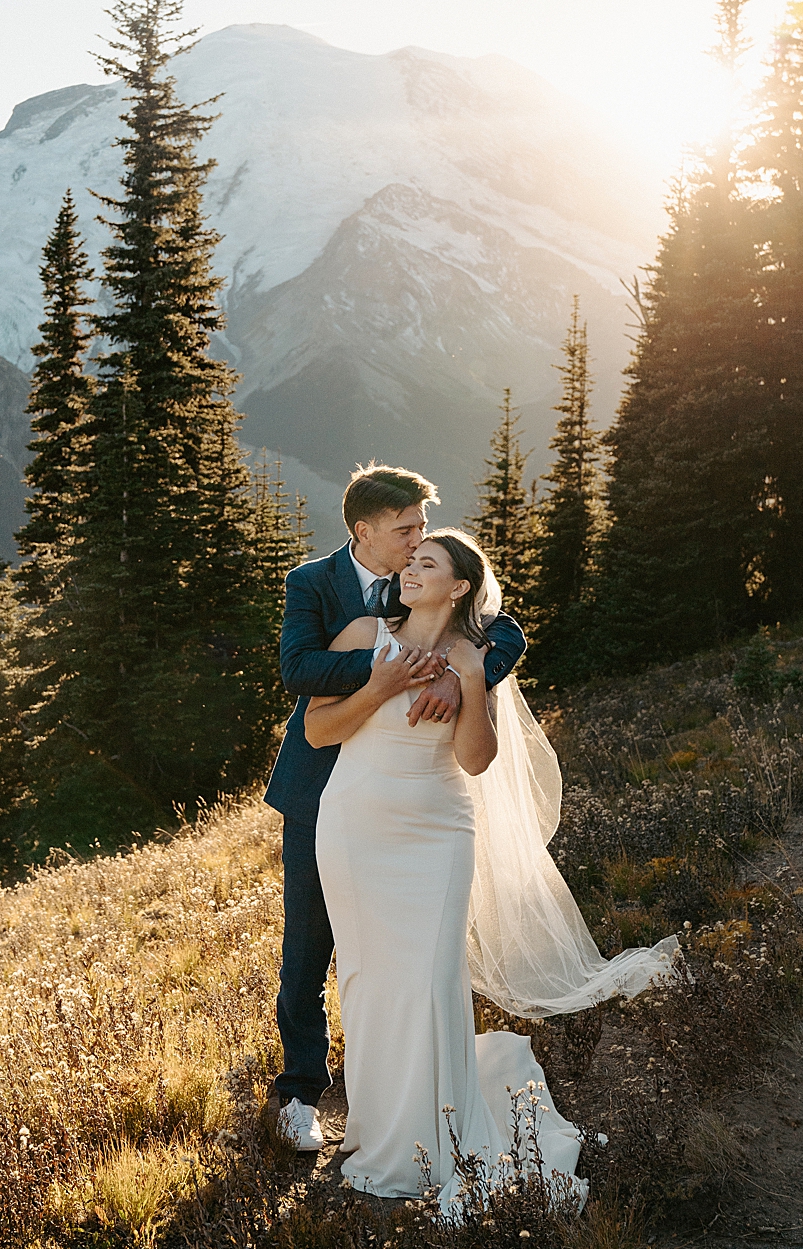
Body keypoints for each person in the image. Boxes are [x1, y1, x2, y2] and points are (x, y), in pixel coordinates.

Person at [305, 529, 677, 1208]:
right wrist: (379, 683)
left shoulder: (474, 656)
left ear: (459, 588)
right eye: (409, 560)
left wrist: (470, 679)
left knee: (431, 976)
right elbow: (317, 729)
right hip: (354, 826)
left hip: (438, 831)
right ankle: (381, 1125)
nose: (411, 569)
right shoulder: (364, 633)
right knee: (368, 978)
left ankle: (439, 1135)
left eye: (428, 564)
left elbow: (476, 759)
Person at [263, 465, 527, 1151]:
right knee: (310, 947)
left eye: (421, 529)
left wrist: (458, 670)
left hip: (419, 803)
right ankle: (298, 1094)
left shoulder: (438, 592)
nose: (417, 541)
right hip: (327, 791)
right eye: (406, 530)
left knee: (404, 961)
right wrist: (391, 672)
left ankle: (398, 1099)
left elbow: (509, 631)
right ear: (365, 531)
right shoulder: (313, 584)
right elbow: (298, 669)